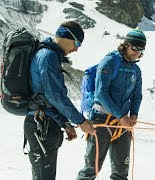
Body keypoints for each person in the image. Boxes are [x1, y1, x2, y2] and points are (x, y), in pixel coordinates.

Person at [24, 21, 96, 180]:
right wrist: (81, 121)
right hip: (42, 124)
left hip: (42, 122)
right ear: (65, 37)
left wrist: (65, 123)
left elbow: (48, 96)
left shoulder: (47, 54)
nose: (76, 49)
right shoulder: (48, 56)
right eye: (76, 43)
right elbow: (55, 96)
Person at [76, 28, 146, 180]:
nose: (137, 53)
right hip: (101, 119)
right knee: (91, 170)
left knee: (121, 172)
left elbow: (137, 95)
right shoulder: (109, 61)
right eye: (135, 48)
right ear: (126, 45)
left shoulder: (136, 70)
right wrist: (121, 116)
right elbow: (101, 93)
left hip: (122, 124)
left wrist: (134, 114)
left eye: (141, 50)